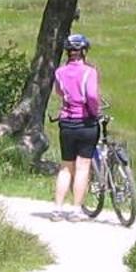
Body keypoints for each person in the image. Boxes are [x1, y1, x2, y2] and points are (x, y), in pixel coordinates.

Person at [52, 31, 101, 216]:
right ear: (84, 51)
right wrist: (93, 111)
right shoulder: (89, 72)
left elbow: (59, 92)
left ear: (68, 52)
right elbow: (92, 96)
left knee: (66, 167)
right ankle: (75, 209)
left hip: (66, 123)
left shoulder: (60, 72)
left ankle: (57, 208)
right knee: (83, 167)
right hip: (85, 123)